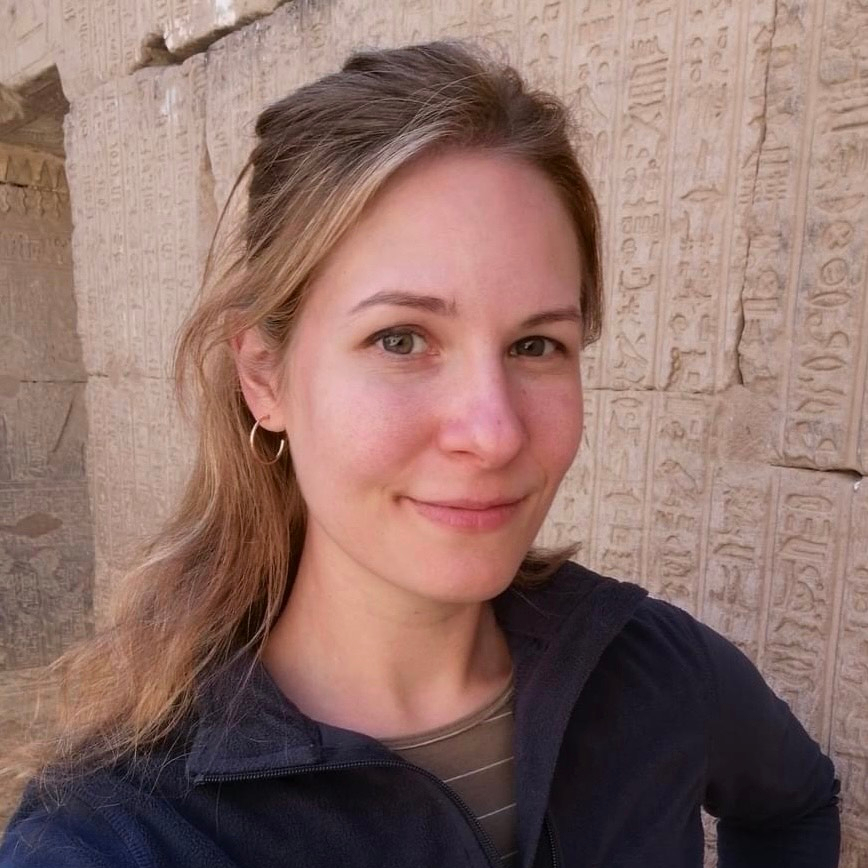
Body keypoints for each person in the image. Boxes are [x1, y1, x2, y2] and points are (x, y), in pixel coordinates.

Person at [0, 41, 839, 868]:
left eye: (538, 346)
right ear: (267, 378)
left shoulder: (653, 668)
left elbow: (795, 800)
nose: (495, 431)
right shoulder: (121, 836)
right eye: (401, 338)